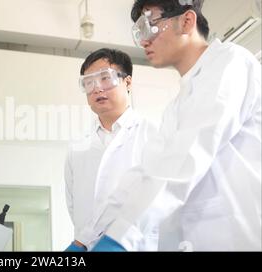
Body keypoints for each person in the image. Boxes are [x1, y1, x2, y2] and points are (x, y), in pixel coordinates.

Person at [69, 0, 261, 251]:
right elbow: (143, 175)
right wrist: (85, 239)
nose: (143, 41)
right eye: (138, 33)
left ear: (187, 21)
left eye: (149, 27)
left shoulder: (231, 64)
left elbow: (187, 157)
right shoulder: (178, 105)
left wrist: (120, 238)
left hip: (240, 237)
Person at [64, 48, 157, 251]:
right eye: (89, 82)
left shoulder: (153, 136)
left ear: (128, 82)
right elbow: (74, 208)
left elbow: (157, 206)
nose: (97, 89)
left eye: (105, 78)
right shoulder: (77, 147)